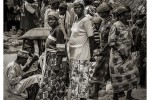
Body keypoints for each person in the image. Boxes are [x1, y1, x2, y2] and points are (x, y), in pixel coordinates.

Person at [108, 6, 139, 100]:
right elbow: (111, 42)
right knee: (117, 78)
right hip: (117, 58)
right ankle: (115, 97)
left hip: (128, 56)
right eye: (127, 13)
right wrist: (120, 52)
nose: (129, 14)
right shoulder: (116, 25)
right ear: (121, 15)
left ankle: (129, 96)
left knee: (134, 74)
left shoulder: (128, 24)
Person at [36, 12, 67, 100]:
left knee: (52, 82)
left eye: (52, 19)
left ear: (57, 20)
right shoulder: (53, 30)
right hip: (50, 59)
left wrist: (57, 65)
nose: (50, 21)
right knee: (51, 82)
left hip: (55, 60)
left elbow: (61, 49)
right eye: (48, 19)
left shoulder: (58, 30)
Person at [68, 0, 95, 99]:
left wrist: (92, 54)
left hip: (82, 53)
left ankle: (82, 97)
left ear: (83, 8)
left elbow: (91, 38)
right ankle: (76, 96)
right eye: (75, 7)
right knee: (75, 78)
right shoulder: (76, 19)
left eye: (78, 7)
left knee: (83, 77)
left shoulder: (86, 20)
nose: (76, 9)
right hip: (74, 53)